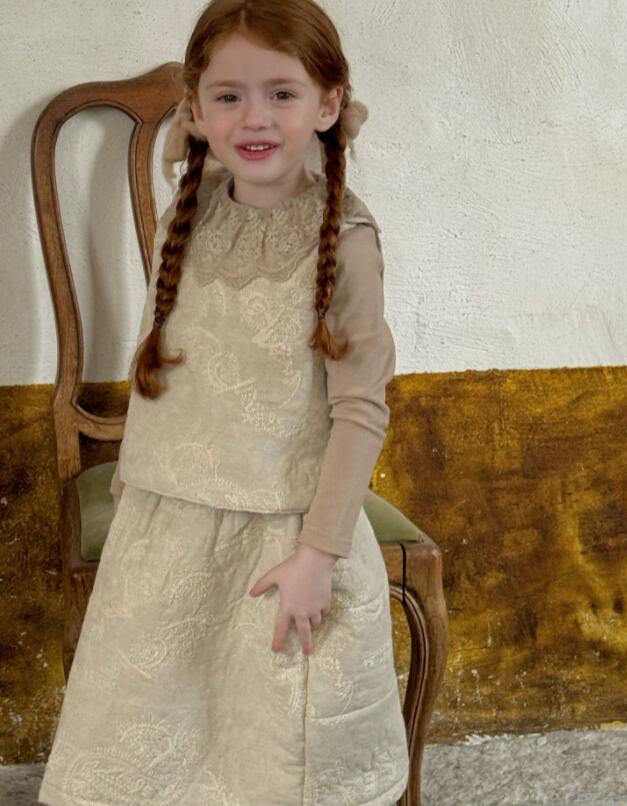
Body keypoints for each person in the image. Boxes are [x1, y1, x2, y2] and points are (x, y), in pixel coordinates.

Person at [38, 1, 409, 804]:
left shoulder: (345, 245)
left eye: (282, 93)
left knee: (265, 751)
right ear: (196, 109)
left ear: (328, 104)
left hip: (284, 539)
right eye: (229, 96)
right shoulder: (190, 212)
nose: (255, 118)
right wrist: (135, 493)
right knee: (156, 739)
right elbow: (166, 378)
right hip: (167, 527)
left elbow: (359, 411)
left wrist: (316, 558)